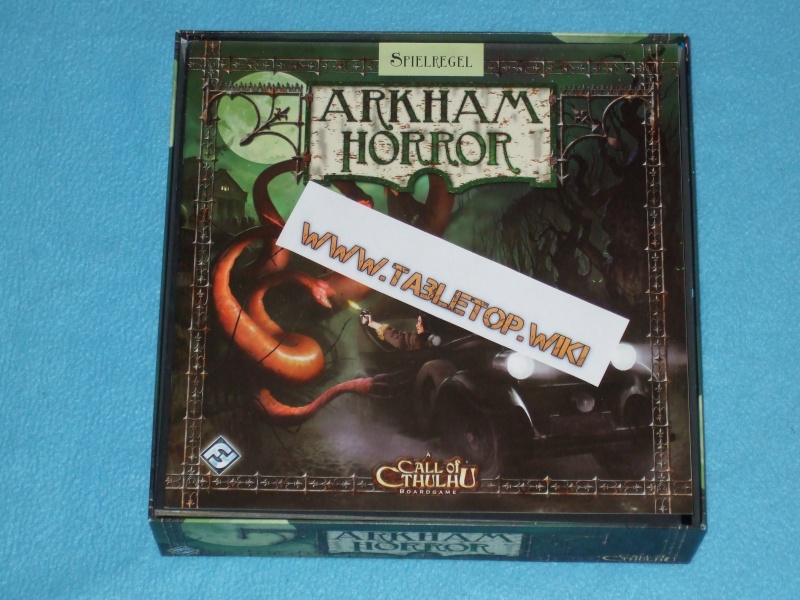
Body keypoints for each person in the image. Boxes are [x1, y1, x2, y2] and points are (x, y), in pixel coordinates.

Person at [362, 313, 434, 350]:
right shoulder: (424, 339)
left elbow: (400, 340)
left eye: (419, 322)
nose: (417, 325)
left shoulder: (419, 340)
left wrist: (372, 323)